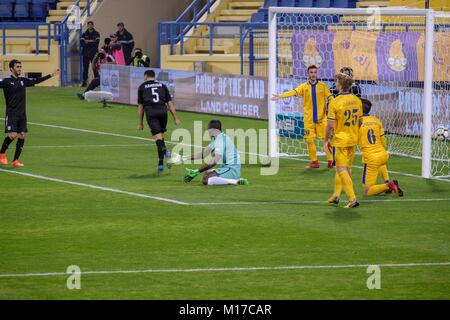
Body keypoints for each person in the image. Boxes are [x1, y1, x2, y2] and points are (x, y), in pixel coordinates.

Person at [272, 65, 334, 169]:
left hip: (322, 119)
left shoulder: (323, 86)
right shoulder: (304, 87)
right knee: (309, 140)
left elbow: (330, 97)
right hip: (308, 120)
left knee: (326, 140)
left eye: (315, 72)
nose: (313, 74)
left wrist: (334, 104)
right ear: (308, 74)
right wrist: (280, 96)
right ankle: (314, 162)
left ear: (317, 74)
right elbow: (293, 92)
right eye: (311, 72)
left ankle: (330, 160)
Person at [0, 60, 59, 167]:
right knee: (12, 135)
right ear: (11, 68)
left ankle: (15, 160)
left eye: (20, 67)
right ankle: (2, 153)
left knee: (22, 135)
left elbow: (37, 80)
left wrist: (51, 75)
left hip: (22, 114)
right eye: (17, 67)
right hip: (12, 113)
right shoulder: (6, 81)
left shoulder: (23, 80)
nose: (19, 69)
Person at [325, 72, 363, 208]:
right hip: (353, 139)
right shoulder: (357, 100)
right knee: (347, 168)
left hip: (340, 140)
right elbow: (360, 121)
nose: (335, 84)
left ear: (340, 85)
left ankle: (352, 199)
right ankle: (336, 195)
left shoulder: (335, 102)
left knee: (341, 169)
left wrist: (325, 140)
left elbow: (330, 126)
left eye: (336, 82)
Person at [137, 70, 180, 172]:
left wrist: (140, 123)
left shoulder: (142, 87)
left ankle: (166, 152)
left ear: (146, 76)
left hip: (151, 112)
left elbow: (141, 107)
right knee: (160, 137)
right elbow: (170, 104)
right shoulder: (163, 85)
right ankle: (160, 163)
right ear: (154, 77)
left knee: (157, 139)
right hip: (163, 112)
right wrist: (175, 118)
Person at [183, 120, 249, 186]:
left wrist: (197, 171)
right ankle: (232, 180)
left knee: (206, 180)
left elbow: (214, 162)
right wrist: (183, 158)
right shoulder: (217, 138)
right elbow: (204, 154)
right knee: (206, 174)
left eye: (208, 130)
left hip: (232, 170)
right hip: (226, 168)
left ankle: (236, 181)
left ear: (212, 130)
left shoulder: (220, 141)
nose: (207, 132)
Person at [359, 98, 403, 197]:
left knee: (367, 191)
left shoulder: (358, 122)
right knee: (380, 162)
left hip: (371, 158)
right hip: (383, 154)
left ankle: (389, 185)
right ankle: (387, 181)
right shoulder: (376, 120)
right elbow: (383, 140)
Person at [80, 21, 100, 87]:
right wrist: (91, 42)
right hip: (85, 54)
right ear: (87, 26)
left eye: (91, 25)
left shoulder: (97, 34)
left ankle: (97, 82)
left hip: (94, 54)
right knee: (85, 68)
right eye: (89, 25)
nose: (90, 26)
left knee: (95, 68)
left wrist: (87, 42)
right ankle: (84, 82)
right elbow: (81, 44)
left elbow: (96, 43)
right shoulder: (84, 34)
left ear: (93, 25)